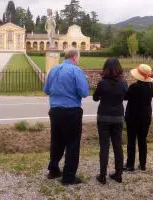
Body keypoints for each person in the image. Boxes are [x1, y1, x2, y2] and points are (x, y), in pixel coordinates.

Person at [43, 47, 89, 185]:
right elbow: (84, 92)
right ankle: (68, 176)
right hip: (71, 111)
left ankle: (54, 169)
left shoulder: (54, 70)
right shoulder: (76, 70)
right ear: (75, 57)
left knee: (56, 141)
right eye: (78, 57)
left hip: (55, 110)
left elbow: (46, 90)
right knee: (72, 143)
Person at [93, 58, 128, 184]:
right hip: (118, 116)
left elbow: (95, 98)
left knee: (104, 146)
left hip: (103, 116)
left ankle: (102, 175)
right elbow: (126, 97)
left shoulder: (102, 83)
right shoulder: (123, 83)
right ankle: (118, 174)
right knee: (118, 146)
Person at [123, 64, 153, 172]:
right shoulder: (152, 86)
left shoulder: (134, 87)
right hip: (146, 116)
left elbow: (125, 97)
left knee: (131, 141)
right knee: (142, 140)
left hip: (133, 116)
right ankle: (143, 164)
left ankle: (130, 164)